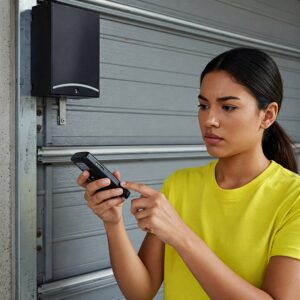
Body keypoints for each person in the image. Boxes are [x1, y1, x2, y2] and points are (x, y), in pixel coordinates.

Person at [77, 47, 300, 299]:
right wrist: (113, 222)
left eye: (228, 107)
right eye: (203, 105)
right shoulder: (179, 184)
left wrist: (181, 236)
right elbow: (140, 291)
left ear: (267, 115)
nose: (209, 120)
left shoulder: (294, 199)